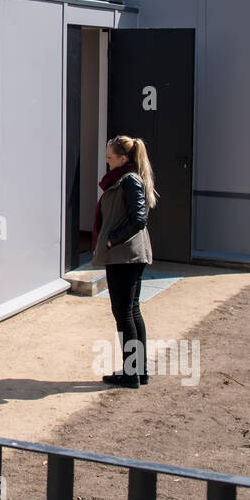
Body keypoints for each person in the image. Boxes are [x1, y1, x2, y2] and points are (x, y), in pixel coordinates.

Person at [92, 135, 158, 388]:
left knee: (124, 314)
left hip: (125, 256)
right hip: (126, 254)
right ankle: (138, 372)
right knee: (131, 311)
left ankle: (131, 374)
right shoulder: (124, 178)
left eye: (110, 157)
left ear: (123, 158)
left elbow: (139, 219)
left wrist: (112, 241)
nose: (107, 162)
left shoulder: (128, 179)